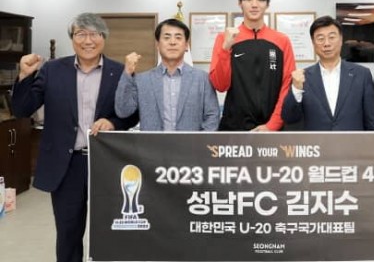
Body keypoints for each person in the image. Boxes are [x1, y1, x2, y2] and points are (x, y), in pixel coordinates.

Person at [11, 13, 138, 262]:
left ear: (103, 38)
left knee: (110, 229)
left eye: (94, 34)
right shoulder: (52, 70)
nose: (88, 40)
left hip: (106, 163)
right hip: (66, 165)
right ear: (72, 38)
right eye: (81, 34)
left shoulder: (119, 71)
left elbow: (132, 113)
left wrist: (113, 122)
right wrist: (25, 76)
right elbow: (22, 109)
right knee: (68, 233)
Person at [209, 0, 295, 131]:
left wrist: (272, 125)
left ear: (267, 4)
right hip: (234, 128)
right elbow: (220, 85)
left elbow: (287, 86)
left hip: (271, 129)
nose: (254, 5)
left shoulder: (282, 40)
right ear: (240, 3)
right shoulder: (224, 38)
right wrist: (226, 48)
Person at [115, 18, 219, 131]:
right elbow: (123, 111)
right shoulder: (142, 80)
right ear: (157, 45)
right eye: (167, 37)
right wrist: (127, 73)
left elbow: (212, 116)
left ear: (186, 45)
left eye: (178, 37)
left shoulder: (203, 79)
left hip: (192, 143)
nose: (172, 42)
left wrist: (199, 140)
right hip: (152, 143)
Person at [282, 15, 374, 130]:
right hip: (317, 141)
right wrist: (296, 89)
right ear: (313, 43)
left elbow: (372, 121)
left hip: (352, 141)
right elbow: (289, 118)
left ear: (341, 40)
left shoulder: (362, 74)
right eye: (320, 38)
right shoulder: (302, 77)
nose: (327, 43)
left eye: (332, 37)